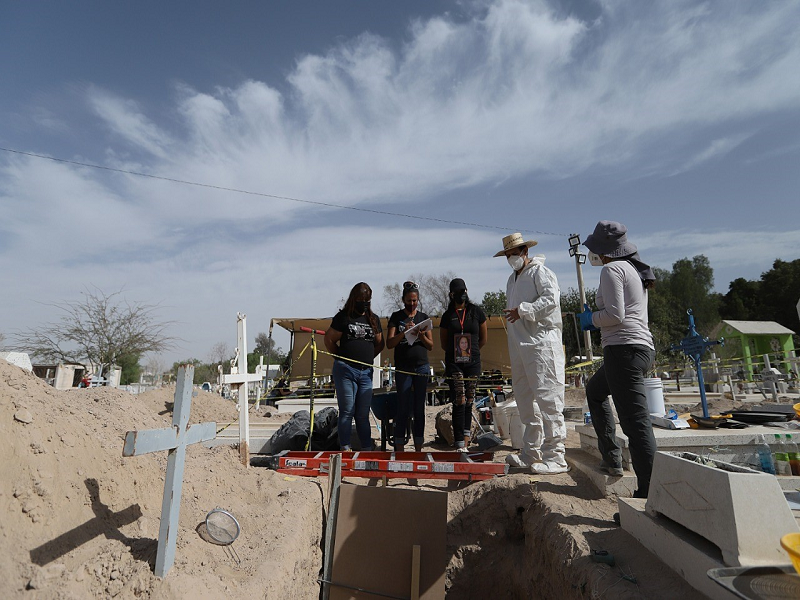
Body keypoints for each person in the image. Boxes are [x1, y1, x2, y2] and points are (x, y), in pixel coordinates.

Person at [580, 220, 657, 499]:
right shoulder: (632, 269)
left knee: (636, 424)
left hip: (623, 350)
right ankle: (611, 456)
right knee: (595, 391)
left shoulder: (612, 269)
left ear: (603, 249)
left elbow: (615, 315)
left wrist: (591, 319)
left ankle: (649, 494)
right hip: (637, 349)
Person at [495, 232, 569, 474]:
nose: (510, 259)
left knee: (548, 398)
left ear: (524, 252)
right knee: (525, 400)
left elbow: (551, 299)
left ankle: (556, 455)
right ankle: (531, 452)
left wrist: (524, 310)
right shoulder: (511, 280)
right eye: (507, 255)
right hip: (520, 346)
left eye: (513, 254)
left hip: (542, 345)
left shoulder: (540, 272)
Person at [324, 282, 385, 451]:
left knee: (363, 414)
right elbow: (329, 339)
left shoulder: (373, 319)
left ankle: (366, 448)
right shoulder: (343, 317)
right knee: (347, 411)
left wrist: (366, 358)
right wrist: (340, 358)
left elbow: (380, 343)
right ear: (353, 299)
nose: (364, 303)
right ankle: (345, 447)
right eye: (360, 299)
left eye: (367, 300)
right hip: (346, 370)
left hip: (365, 372)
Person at [439, 278, 487, 452]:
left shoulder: (476, 312)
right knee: (458, 400)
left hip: (472, 362)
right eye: (458, 292)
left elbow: (483, 338)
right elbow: (444, 343)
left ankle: (466, 440)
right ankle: (458, 441)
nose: (462, 294)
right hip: (455, 364)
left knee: (469, 400)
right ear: (452, 295)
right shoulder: (447, 316)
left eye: (464, 290)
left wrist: (471, 352)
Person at [386, 281, 433, 452]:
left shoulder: (423, 318)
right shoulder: (396, 317)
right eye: (408, 300)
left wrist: (420, 335)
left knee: (419, 407)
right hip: (403, 367)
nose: (412, 304)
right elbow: (389, 343)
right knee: (403, 406)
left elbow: (431, 345)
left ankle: (419, 446)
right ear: (403, 299)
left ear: (418, 300)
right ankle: (399, 446)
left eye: (414, 301)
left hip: (421, 366)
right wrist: (403, 332)